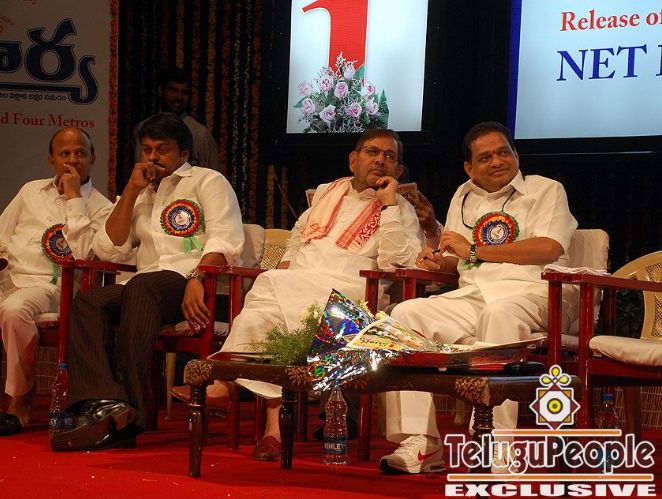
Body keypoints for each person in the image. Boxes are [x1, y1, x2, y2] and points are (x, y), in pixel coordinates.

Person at [173, 128, 436, 462]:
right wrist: (287, 269)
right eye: (373, 152)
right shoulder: (327, 192)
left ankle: (227, 384)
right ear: (353, 160)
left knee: (269, 285)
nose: (380, 160)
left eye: (390, 157)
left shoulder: (401, 209)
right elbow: (299, 238)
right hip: (298, 285)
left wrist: (389, 206)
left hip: (352, 297)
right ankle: (273, 431)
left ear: (399, 170)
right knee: (264, 313)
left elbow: (395, 261)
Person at [380, 121, 577, 474]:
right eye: (485, 157)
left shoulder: (546, 189)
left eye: (503, 152)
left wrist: (474, 249)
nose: (497, 161)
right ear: (470, 168)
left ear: (517, 155)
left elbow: (549, 247)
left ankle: (497, 446)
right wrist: (440, 260)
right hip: (474, 295)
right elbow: (462, 260)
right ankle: (422, 443)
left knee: (498, 314)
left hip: (535, 291)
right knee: (404, 316)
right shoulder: (463, 195)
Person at [51, 112, 244, 451]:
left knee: (141, 287)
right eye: (147, 149)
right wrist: (131, 190)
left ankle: (129, 417)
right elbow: (109, 248)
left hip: (188, 283)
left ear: (184, 154)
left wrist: (197, 277)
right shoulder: (140, 192)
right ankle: (105, 404)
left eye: (162, 150)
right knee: (89, 302)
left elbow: (225, 239)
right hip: (143, 286)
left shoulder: (207, 181)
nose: (153, 157)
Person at [0, 127, 113, 435]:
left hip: (52, 285)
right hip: (6, 278)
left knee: (14, 311)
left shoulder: (102, 207)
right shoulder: (30, 191)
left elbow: (83, 253)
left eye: (80, 153)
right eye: (64, 153)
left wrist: (74, 198)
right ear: (51, 160)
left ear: (92, 158)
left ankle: (21, 395)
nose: (72, 160)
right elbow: (0, 235)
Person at [132, 67, 221, 172]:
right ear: (161, 90)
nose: (179, 97)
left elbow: (213, 175)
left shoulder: (199, 134)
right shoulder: (142, 128)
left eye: (184, 92)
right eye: (173, 90)